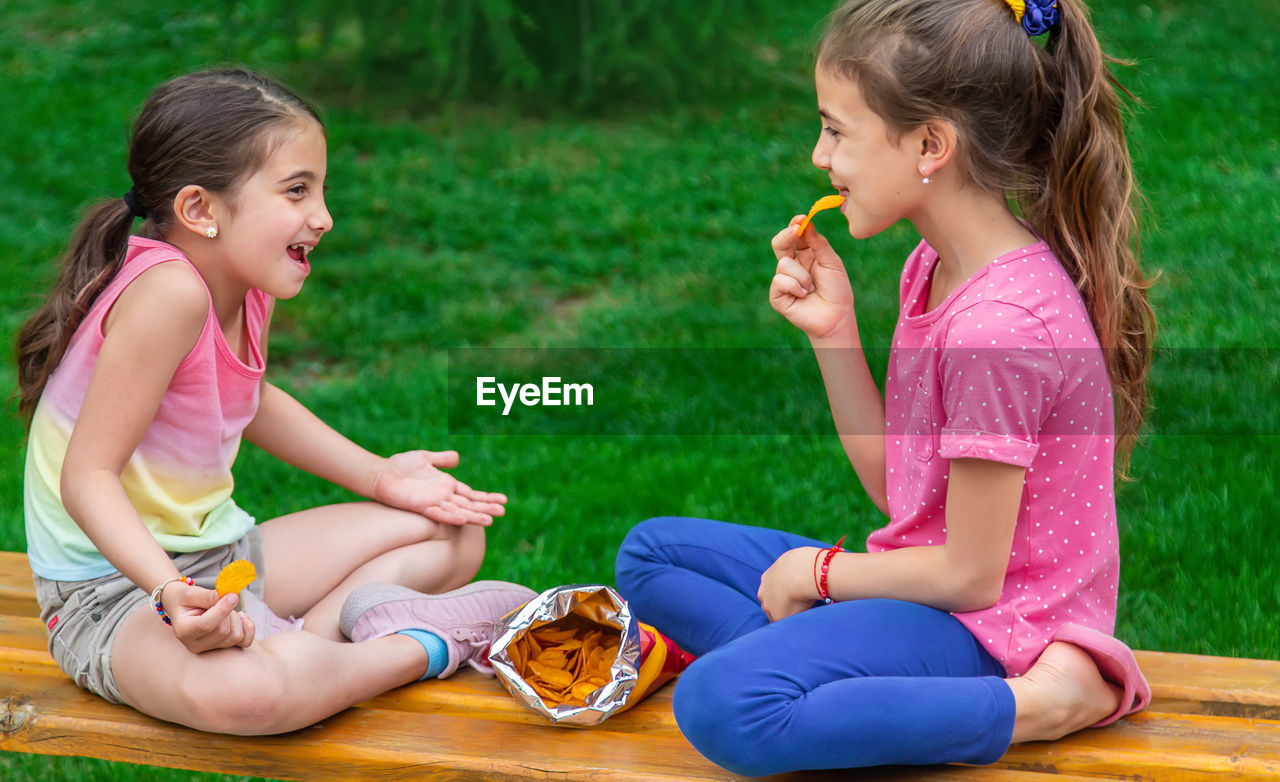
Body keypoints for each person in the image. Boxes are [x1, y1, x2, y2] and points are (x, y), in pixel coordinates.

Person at [615, 0, 1158, 774]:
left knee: (720, 704)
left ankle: (1039, 705)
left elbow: (970, 577)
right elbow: (901, 496)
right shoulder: (933, 270)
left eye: (836, 129)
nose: (818, 155)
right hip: (930, 594)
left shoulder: (996, 329)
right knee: (650, 556)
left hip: (994, 631)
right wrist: (835, 336)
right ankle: (836, 674)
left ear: (931, 144)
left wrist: (823, 575)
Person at [15, 68, 535, 735]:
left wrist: (380, 475)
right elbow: (85, 478)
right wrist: (171, 594)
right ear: (200, 210)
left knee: (450, 528)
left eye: (320, 190)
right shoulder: (168, 294)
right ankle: (420, 647)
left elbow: (248, 398)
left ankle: (305, 643)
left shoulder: (244, 279)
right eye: (297, 191)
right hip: (112, 595)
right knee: (250, 697)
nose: (324, 217)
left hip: (222, 561)